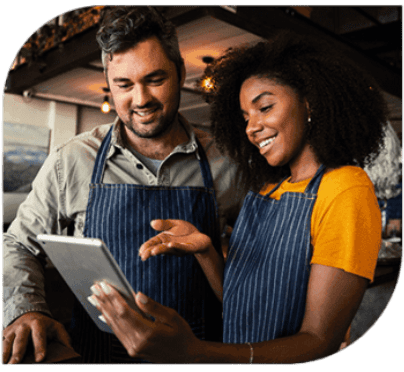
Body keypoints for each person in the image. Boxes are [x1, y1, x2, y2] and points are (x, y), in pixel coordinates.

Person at [88, 31, 387, 363]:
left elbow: (319, 341)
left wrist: (197, 352)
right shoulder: (267, 188)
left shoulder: (345, 189)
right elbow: (240, 299)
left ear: (310, 102)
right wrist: (205, 251)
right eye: (245, 117)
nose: (252, 128)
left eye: (265, 107)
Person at [2, 5, 244, 364]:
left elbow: (259, 265)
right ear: (109, 83)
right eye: (124, 84)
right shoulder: (72, 160)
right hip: (96, 357)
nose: (141, 99)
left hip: (199, 356)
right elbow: (18, 243)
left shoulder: (229, 162)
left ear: (180, 72)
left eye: (155, 79)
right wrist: (26, 310)